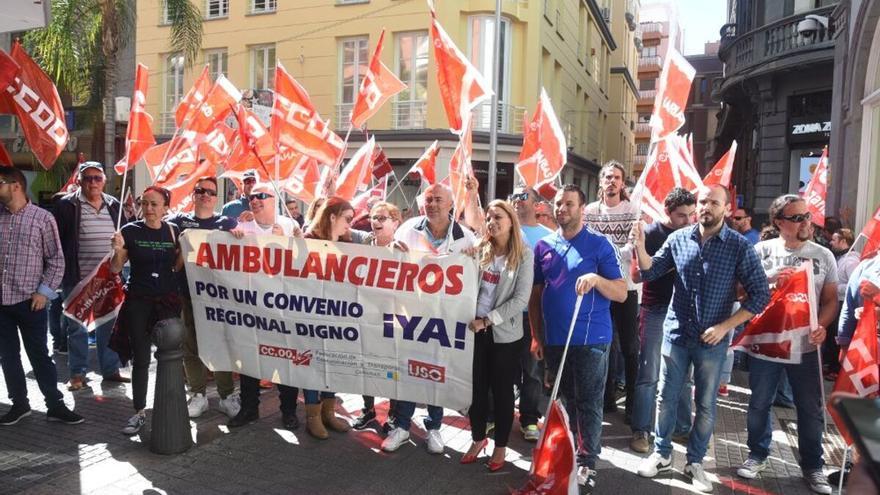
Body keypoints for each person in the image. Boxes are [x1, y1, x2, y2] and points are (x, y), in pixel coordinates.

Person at [632, 184, 770, 493]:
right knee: (665, 399)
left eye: (713, 202)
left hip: (712, 342)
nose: (706, 206)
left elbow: (761, 294)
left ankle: (695, 461)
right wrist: (640, 247)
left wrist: (726, 326)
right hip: (677, 334)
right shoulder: (679, 238)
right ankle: (662, 453)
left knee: (705, 404)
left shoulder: (738, 246)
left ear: (726, 208)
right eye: (703, 201)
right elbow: (650, 272)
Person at [735, 195, 837, 494]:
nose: (806, 222)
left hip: (805, 346)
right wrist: (768, 280)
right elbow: (742, 291)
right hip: (766, 343)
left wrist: (822, 326)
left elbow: (830, 301)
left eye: (807, 216)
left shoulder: (824, 255)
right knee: (759, 403)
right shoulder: (761, 250)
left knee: (810, 408)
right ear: (779, 222)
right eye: (797, 218)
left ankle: (813, 466)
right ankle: (757, 454)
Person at [530, 184, 627, 491]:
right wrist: (537, 337)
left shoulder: (600, 245)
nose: (563, 209)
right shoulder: (543, 246)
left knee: (589, 403)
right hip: (556, 339)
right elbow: (535, 297)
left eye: (569, 204)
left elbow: (622, 293)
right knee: (562, 401)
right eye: (558, 204)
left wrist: (597, 279)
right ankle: (565, 455)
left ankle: (588, 461)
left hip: (591, 338)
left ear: (582, 208)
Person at [383, 184, 478, 454]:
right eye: (428, 200)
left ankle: (434, 428)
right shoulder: (408, 229)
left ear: (451, 205)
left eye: (439, 199)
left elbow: (479, 274)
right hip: (412, 315)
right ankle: (401, 426)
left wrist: (475, 258)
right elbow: (394, 263)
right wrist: (392, 250)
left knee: (437, 371)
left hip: (447, 320)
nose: (433, 204)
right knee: (409, 369)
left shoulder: (466, 238)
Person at [0, 167, 84, 426]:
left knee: (39, 354)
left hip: (30, 302)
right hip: (1, 303)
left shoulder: (42, 218)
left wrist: (44, 292)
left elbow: (56, 261)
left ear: (15, 186)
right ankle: (20, 404)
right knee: (8, 356)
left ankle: (55, 405)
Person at [462, 200, 534, 471]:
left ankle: (500, 447)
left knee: (502, 393)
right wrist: (465, 258)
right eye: (489, 218)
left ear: (511, 220)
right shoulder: (481, 250)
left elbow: (520, 299)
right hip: (474, 331)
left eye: (498, 217)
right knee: (476, 390)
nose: (492, 222)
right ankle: (478, 438)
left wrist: (488, 321)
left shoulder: (524, 255)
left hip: (504, 335)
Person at [227, 186, 302, 430]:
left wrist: (292, 242)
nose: (256, 200)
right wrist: (232, 234)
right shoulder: (244, 226)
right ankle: (249, 409)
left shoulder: (289, 225)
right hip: (251, 306)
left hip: (282, 307)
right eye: (252, 197)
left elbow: (305, 262)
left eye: (262, 196)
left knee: (285, 361)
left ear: (274, 200)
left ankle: (288, 411)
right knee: (249, 359)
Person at [166, 177, 240, 420]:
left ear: (216, 197)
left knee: (221, 344)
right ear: (193, 194)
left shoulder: (226, 222)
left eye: (210, 192)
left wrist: (240, 232)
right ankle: (197, 394)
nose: (205, 195)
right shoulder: (177, 222)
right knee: (190, 345)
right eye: (200, 191)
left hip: (218, 298)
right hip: (187, 294)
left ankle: (226, 395)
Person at [629, 187, 696, 453]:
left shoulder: (694, 233)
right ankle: (641, 429)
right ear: (667, 212)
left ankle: (680, 428)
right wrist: (668, 262)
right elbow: (636, 275)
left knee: (684, 376)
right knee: (649, 373)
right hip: (656, 309)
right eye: (682, 215)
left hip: (685, 311)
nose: (689, 220)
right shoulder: (651, 233)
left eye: (692, 214)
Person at [110, 186, 181, 435]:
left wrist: (188, 251)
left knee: (171, 356)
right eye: (144, 203)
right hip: (139, 301)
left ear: (165, 208)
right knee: (141, 358)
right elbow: (115, 269)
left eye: (154, 204)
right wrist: (118, 251)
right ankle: (139, 412)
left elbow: (177, 264)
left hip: (167, 301)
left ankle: (171, 408)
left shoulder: (173, 231)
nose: (148, 209)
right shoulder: (129, 231)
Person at [53, 161, 130, 390]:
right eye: (88, 178)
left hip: (108, 278)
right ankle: (78, 374)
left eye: (98, 178)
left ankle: (111, 369)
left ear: (104, 181)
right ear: (79, 181)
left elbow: (126, 237)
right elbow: (56, 241)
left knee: (109, 322)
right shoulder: (67, 205)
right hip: (78, 277)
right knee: (76, 326)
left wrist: (121, 249)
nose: (93, 182)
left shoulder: (113, 205)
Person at [583, 161, 640, 420]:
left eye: (617, 177)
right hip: (599, 289)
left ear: (623, 183)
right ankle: (606, 400)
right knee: (602, 344)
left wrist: (603, 255)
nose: (612, 181)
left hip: (626, 288)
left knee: (629, 347)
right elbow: (586, 244)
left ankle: (633, 405)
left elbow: (631, 248)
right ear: (601, 181)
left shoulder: (632, 210)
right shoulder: (590, 212)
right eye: (608, 177)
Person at [300, 197, 356, 439]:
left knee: (332, 362)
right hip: (310, 314)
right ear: (332, 217)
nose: (350, 225)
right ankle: (312, 416)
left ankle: (328, 412)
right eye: (348, 219)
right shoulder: (307, 241)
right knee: (313, 363)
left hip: (336, 316)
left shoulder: (348, 242)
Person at [353, 201, 402, 432]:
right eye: (373, 217)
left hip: (393, 320)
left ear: (395, 222)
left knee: (391, 367)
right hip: (364, 317)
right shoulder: (361, 242)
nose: (376, 222)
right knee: (365, 364)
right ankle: (368, 409)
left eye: (382, 218)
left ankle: (393, 414)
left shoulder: (403, 248)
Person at [510, 186, 552, 441]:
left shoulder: (548, 236)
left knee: (533, 371)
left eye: (523, 196)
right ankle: (498, 415)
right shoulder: (504, 229)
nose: (517, 200)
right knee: (503, 368)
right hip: (505, 313)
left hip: (533, 314)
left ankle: (529, 419)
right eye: (514, 196)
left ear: (537, 204)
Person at [231, 183, 300, 237]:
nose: (254, 201)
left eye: (260, 196)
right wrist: (230, 234)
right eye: (251, 197)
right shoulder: (241, 226)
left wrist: (282, 240)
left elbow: (300, 254)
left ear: (274, 200)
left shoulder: (291, 225)